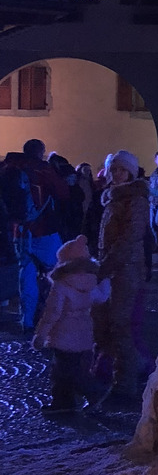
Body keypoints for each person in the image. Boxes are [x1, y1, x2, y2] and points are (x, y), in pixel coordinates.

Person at [93, 150, 151, 403]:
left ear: (131, 172)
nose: (116, 174)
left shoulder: (135, 199)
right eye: (113, 169)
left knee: (121, 324)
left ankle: (124, 382)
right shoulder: (111, 198)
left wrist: (108, 264)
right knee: (106, 324)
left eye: (121, 170)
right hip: (111, 268)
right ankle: (132, 367)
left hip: (126, 269)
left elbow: (130, 236)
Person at [33, 234, 109, 412]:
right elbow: (102, 297)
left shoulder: (61, 285)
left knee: (64, 371)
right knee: (67, 369)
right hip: (84, 331)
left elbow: (53, 313)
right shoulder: (91, 282)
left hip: (63, 333)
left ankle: (93, 391)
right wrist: (106, 281)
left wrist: (41, 335)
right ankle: (63, 401)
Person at [1, 138, 70, 331]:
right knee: (58, 271)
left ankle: (27, 320)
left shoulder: (8, 168)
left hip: (19, 231)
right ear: (41, 152)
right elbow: (63, 192)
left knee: (26, 275)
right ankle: (56, 316)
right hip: (44, 229)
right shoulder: (43, 169)